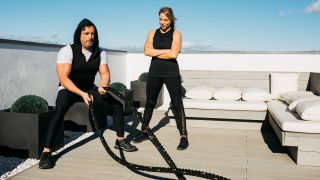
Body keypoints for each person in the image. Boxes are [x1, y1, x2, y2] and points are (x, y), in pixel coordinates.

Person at [39, 18, 138, 169]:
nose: (90, 36)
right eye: (86, 33)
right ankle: (46, 153)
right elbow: (63, 78)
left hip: (89, 88)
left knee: (117, 104)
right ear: (79, 34)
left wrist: (104, 85)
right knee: (59, 111)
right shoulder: (67, 51)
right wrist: (81, 93)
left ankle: (120, 140)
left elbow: (104, 73)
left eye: (92, 33)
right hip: (69, 88)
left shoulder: (100, 51)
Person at [133, 7, 188, 150]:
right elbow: (146, 51)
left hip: (171, 72)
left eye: (165, 19)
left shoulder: (177, 34)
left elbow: (174, 55)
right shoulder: (152, 32)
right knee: (150, 102)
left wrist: (156, 52)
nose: (162, 22)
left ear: (171, 20)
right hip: (155, 72)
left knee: (176, 103)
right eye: (160, 19)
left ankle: (183, 136)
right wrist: (166, 51)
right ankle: (144, 131)